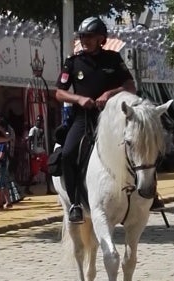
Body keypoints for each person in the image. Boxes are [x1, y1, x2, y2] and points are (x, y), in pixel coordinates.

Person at [56, 16, 141, 223]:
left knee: (140, 145)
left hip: (112, 118)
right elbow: (59, 93)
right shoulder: (73, 62)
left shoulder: (113, 59)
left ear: (101, 38)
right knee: (67, 154)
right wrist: (79, 98)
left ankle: (149, 194)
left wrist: (109, 94)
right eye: (82, 36)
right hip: (84, 118)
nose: (85, 40)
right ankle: (75, 202)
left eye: (90, 37)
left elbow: (131, 87)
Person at [25, 115, 55, 195]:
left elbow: (42, 141)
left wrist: (45, 150)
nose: (39, 122)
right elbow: (29, 141)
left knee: (47, 171)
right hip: (36, 153)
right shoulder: (33, 130)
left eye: (41, 121)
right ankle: (27, 188)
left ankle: (48, 189)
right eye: (38, 121)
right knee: (34, 173)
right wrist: (30, 151)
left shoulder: (41, 130)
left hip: (42, 152)